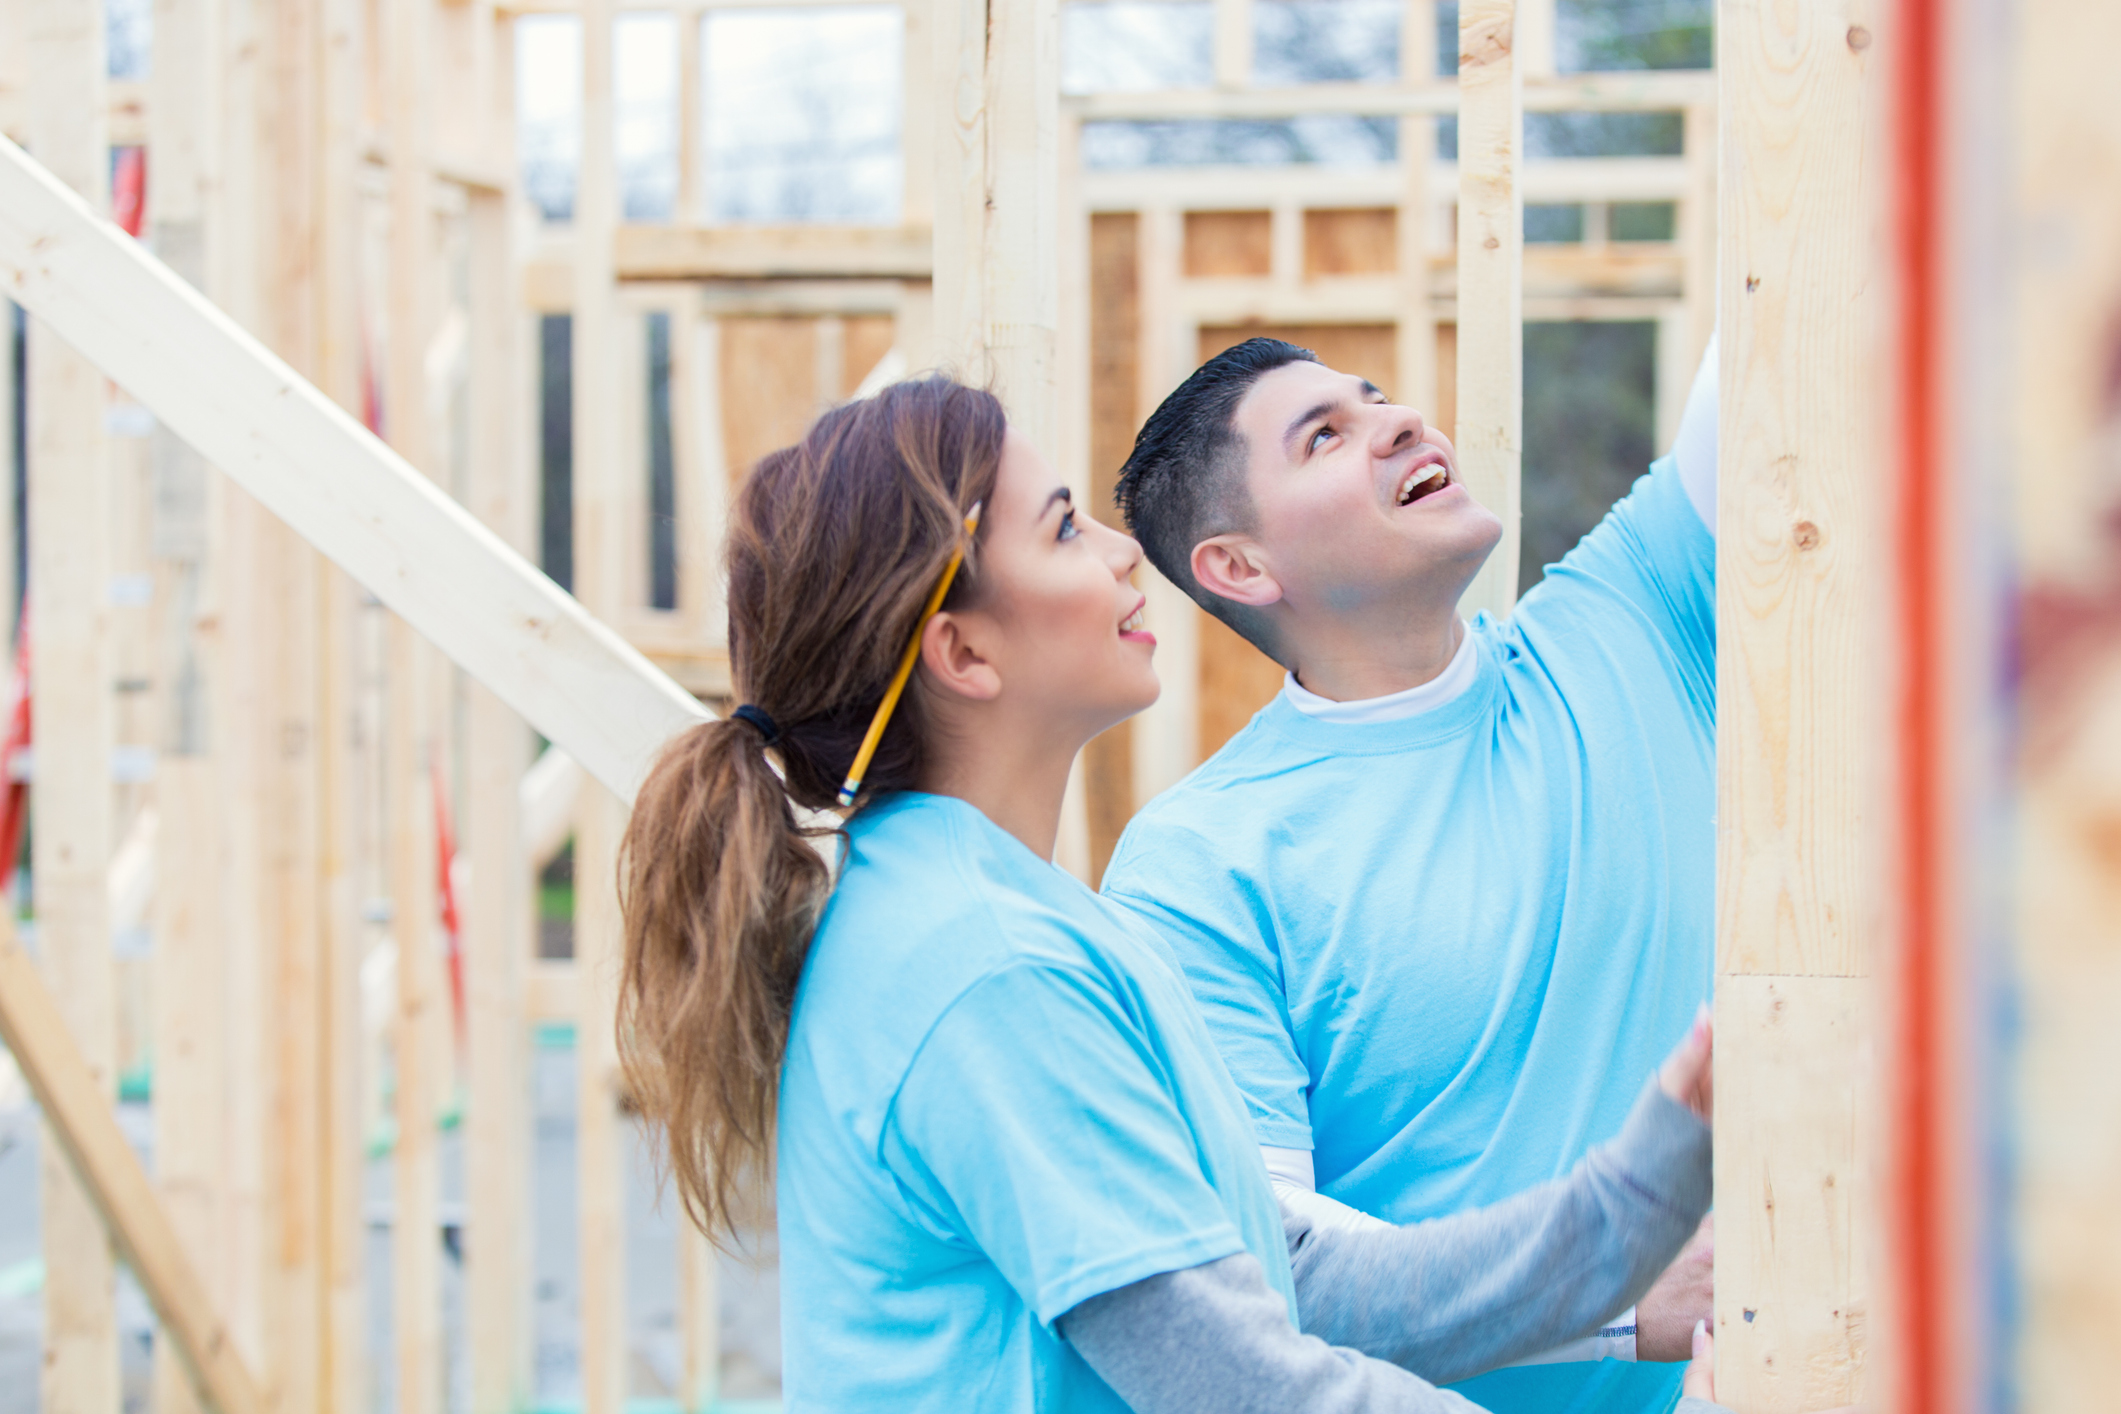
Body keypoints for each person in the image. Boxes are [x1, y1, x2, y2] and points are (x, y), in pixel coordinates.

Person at [615, 376, 1736, 1412]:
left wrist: (1634, 1201)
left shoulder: (1009, 914)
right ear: (963, 652)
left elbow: (1282, 1272)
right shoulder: (980, 967)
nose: (1122, 555)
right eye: (1063, 527)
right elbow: (1240, 1382)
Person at [1100, 335, 1723, 1363]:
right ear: (1241, 566)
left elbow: (1764, 310)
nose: (1400, 422)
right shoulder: (1202, 864)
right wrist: (1608, 1301)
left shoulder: (1628, 617)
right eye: (1326, 437)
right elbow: (1270, 1269)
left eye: (1378, 397)